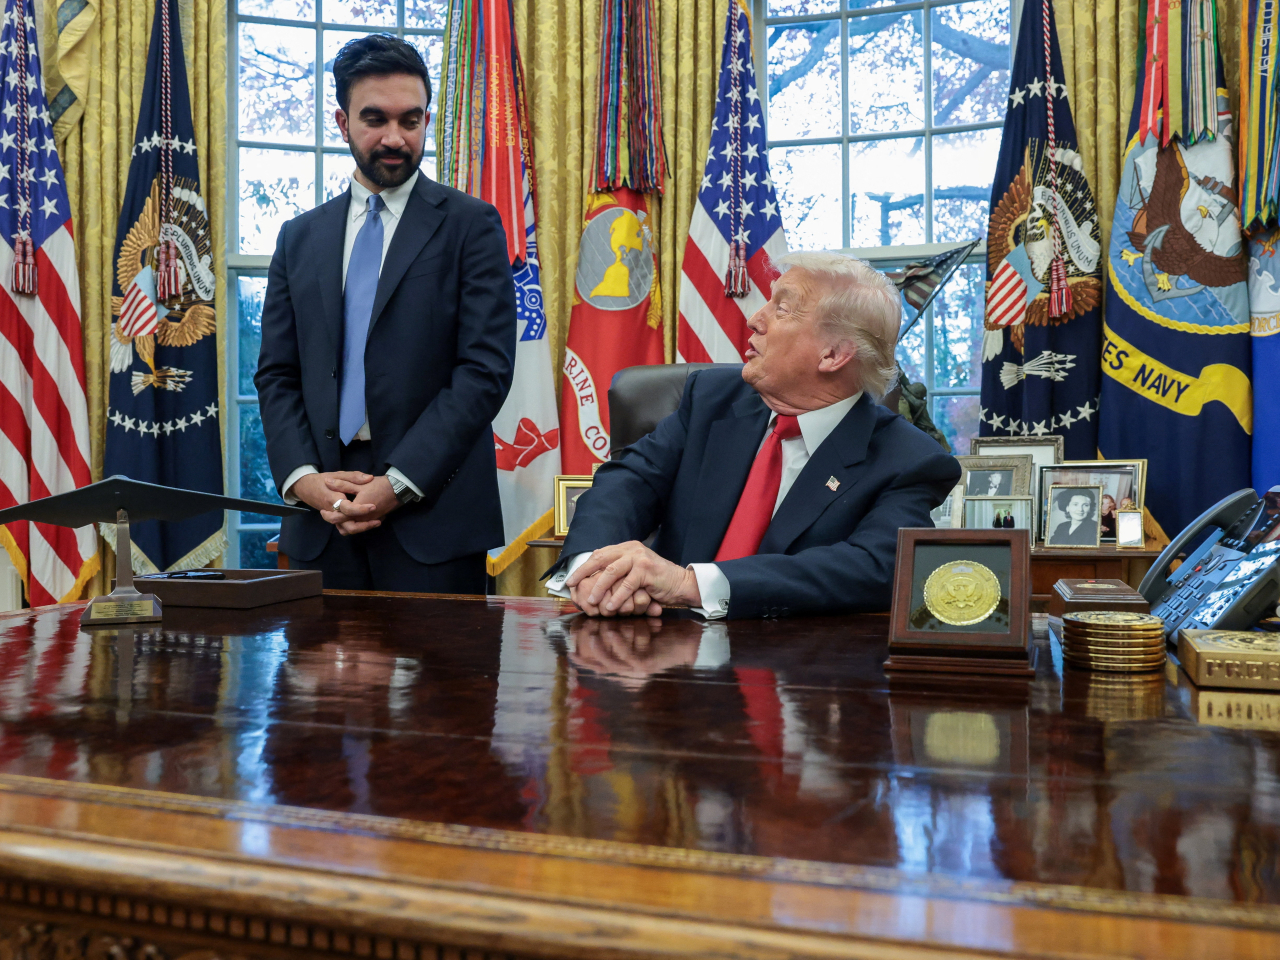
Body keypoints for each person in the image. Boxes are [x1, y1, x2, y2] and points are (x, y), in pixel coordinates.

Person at [545, 251, 961, 619]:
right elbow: (628, 479)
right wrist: (593, 567)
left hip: (794, 677)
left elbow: (872, 568)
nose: (753, 319)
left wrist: (688, 584)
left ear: (833, 355)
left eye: (782, 309)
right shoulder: (711, 399)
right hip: (660, 654)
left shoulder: (908, 460)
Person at [255, 35, 516, 593]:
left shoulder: (472, 226)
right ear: (341, 121)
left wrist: (398, 484)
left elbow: (483, 372)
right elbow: (277, 375)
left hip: (433, 519)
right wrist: (303, 480)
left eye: (411, 119)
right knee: (316, 682)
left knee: (446, 685)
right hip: (319, 523)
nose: (395, 138)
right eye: (375, 118)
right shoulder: (298, 238)